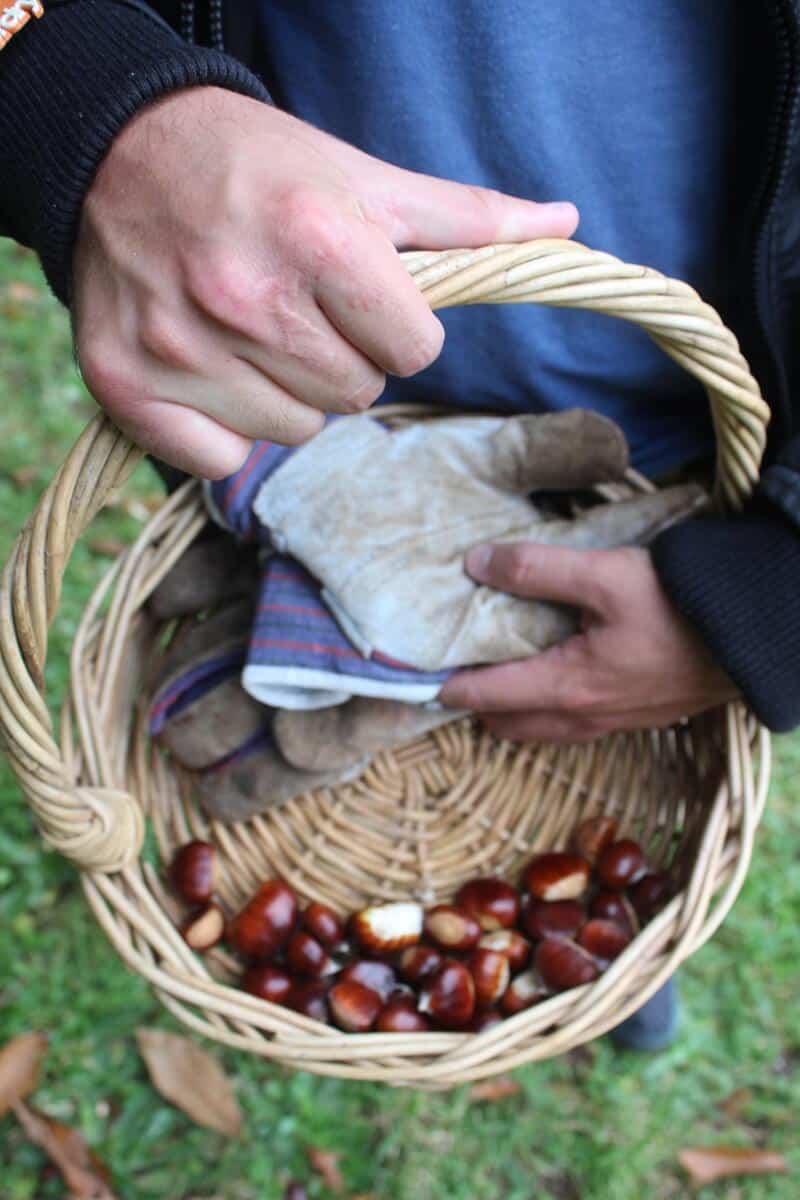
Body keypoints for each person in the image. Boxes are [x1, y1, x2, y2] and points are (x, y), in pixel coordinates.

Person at [2, 2, 799, 1050]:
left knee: (617, 751)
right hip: (271, 392)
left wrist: (766, 602)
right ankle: (569, 924)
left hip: (686, 416)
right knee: (268, 602)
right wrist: (88, 111)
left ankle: (599, 929)